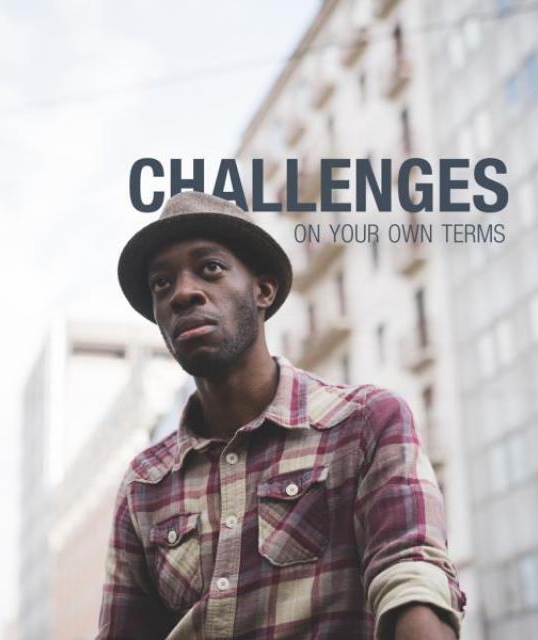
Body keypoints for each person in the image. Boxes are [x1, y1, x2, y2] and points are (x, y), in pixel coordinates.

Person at [97, 191, 466, 639]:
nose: (183, 293)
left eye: (210, 268)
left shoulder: (365, 423)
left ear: (263, 290)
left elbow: (412, 578)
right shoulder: (144, 483)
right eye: (162, 283)